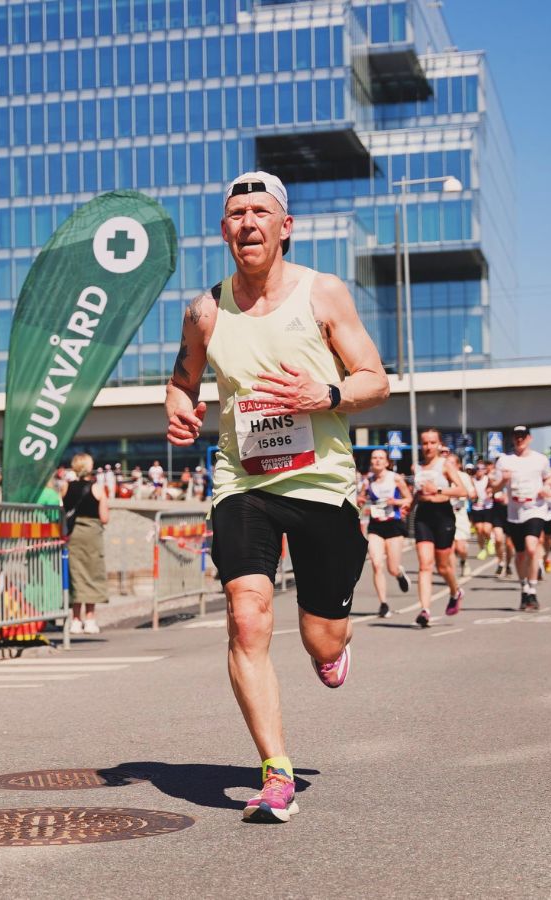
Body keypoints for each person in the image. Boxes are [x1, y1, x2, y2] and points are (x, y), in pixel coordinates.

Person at [165, 171, 388, 823]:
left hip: (320, 483)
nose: (247, 223)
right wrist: (180, 410)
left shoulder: (323, 294)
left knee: (321, 638)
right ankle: (277, 771)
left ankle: (333, 647)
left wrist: (332, 395)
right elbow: (181, 382)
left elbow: (376, 378)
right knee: (248, 616)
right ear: (225, 230)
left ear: (285, 227)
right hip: (244, 481)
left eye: (260, 211)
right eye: (235, 214)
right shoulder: (205, 310)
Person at [488, 425, 551, 611]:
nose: (519, 439)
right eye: (516, 436)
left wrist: (546, 488)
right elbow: (494, 488)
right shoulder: (505, 461)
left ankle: (532, 589)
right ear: (512, 439)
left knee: (532, 548)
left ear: (529, 438)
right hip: (514, 512)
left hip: (535, 508)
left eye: (523, 436)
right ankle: (524, 587)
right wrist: (503, 481)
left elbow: (549, 479)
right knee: (520, 554)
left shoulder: (540, 460)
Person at [409, 429, 469, 625]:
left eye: (432, 443)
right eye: (425, 443)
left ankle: (455, 591)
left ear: (439, 444)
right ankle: (425, 610)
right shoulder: (416, 468)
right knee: (425, 564)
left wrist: (439, 490)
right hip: (423, 516)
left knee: (443, 566)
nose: (428, 447)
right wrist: (408, 506)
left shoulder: (445, 466)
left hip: (443, 516)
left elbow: (463, 491)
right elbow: (417, 494)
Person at [60, 452, 110, 635]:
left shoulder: (66, 487)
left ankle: (75, 619)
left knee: (76, 575)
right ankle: (90, 619)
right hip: (92, 534)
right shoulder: (97, 488)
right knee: (92, 573)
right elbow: (105, 518)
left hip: (73, 534)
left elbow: (62, 512)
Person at [358, 448, 411, 618]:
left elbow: (409, 498)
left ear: (387, 462)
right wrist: (360, 500)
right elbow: (360, 499)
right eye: (374, 458)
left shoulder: (395, 479)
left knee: (392, 568)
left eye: (381, 458)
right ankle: (383, 604)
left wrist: (396, 501)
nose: (377, 461)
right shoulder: (368, 481)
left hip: (394, 525)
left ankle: (399, 573)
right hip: (376, 525)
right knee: (376, 563)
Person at [452, 460, 479, 578]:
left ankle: (464, 561)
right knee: (450, 548)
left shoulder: (463, 477)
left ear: (458, 465)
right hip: (444, 516)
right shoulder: (441, 476)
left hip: (460, 515)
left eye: (452, 463)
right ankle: (452, 577)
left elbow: (473, 493)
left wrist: (468, 494)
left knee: (461, 547)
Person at [470, 459, 495, 562]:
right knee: (479, 530)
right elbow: (470, 491)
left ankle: (489, 540)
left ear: (485, 470)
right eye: (477, 468)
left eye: (481, 469)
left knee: (486, 529)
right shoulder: (472, 479)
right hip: (477, 507)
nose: (479, 470)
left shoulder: (488, 479)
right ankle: (482, 550)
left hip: (487, 507)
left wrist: (490, 492)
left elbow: (493, 488)